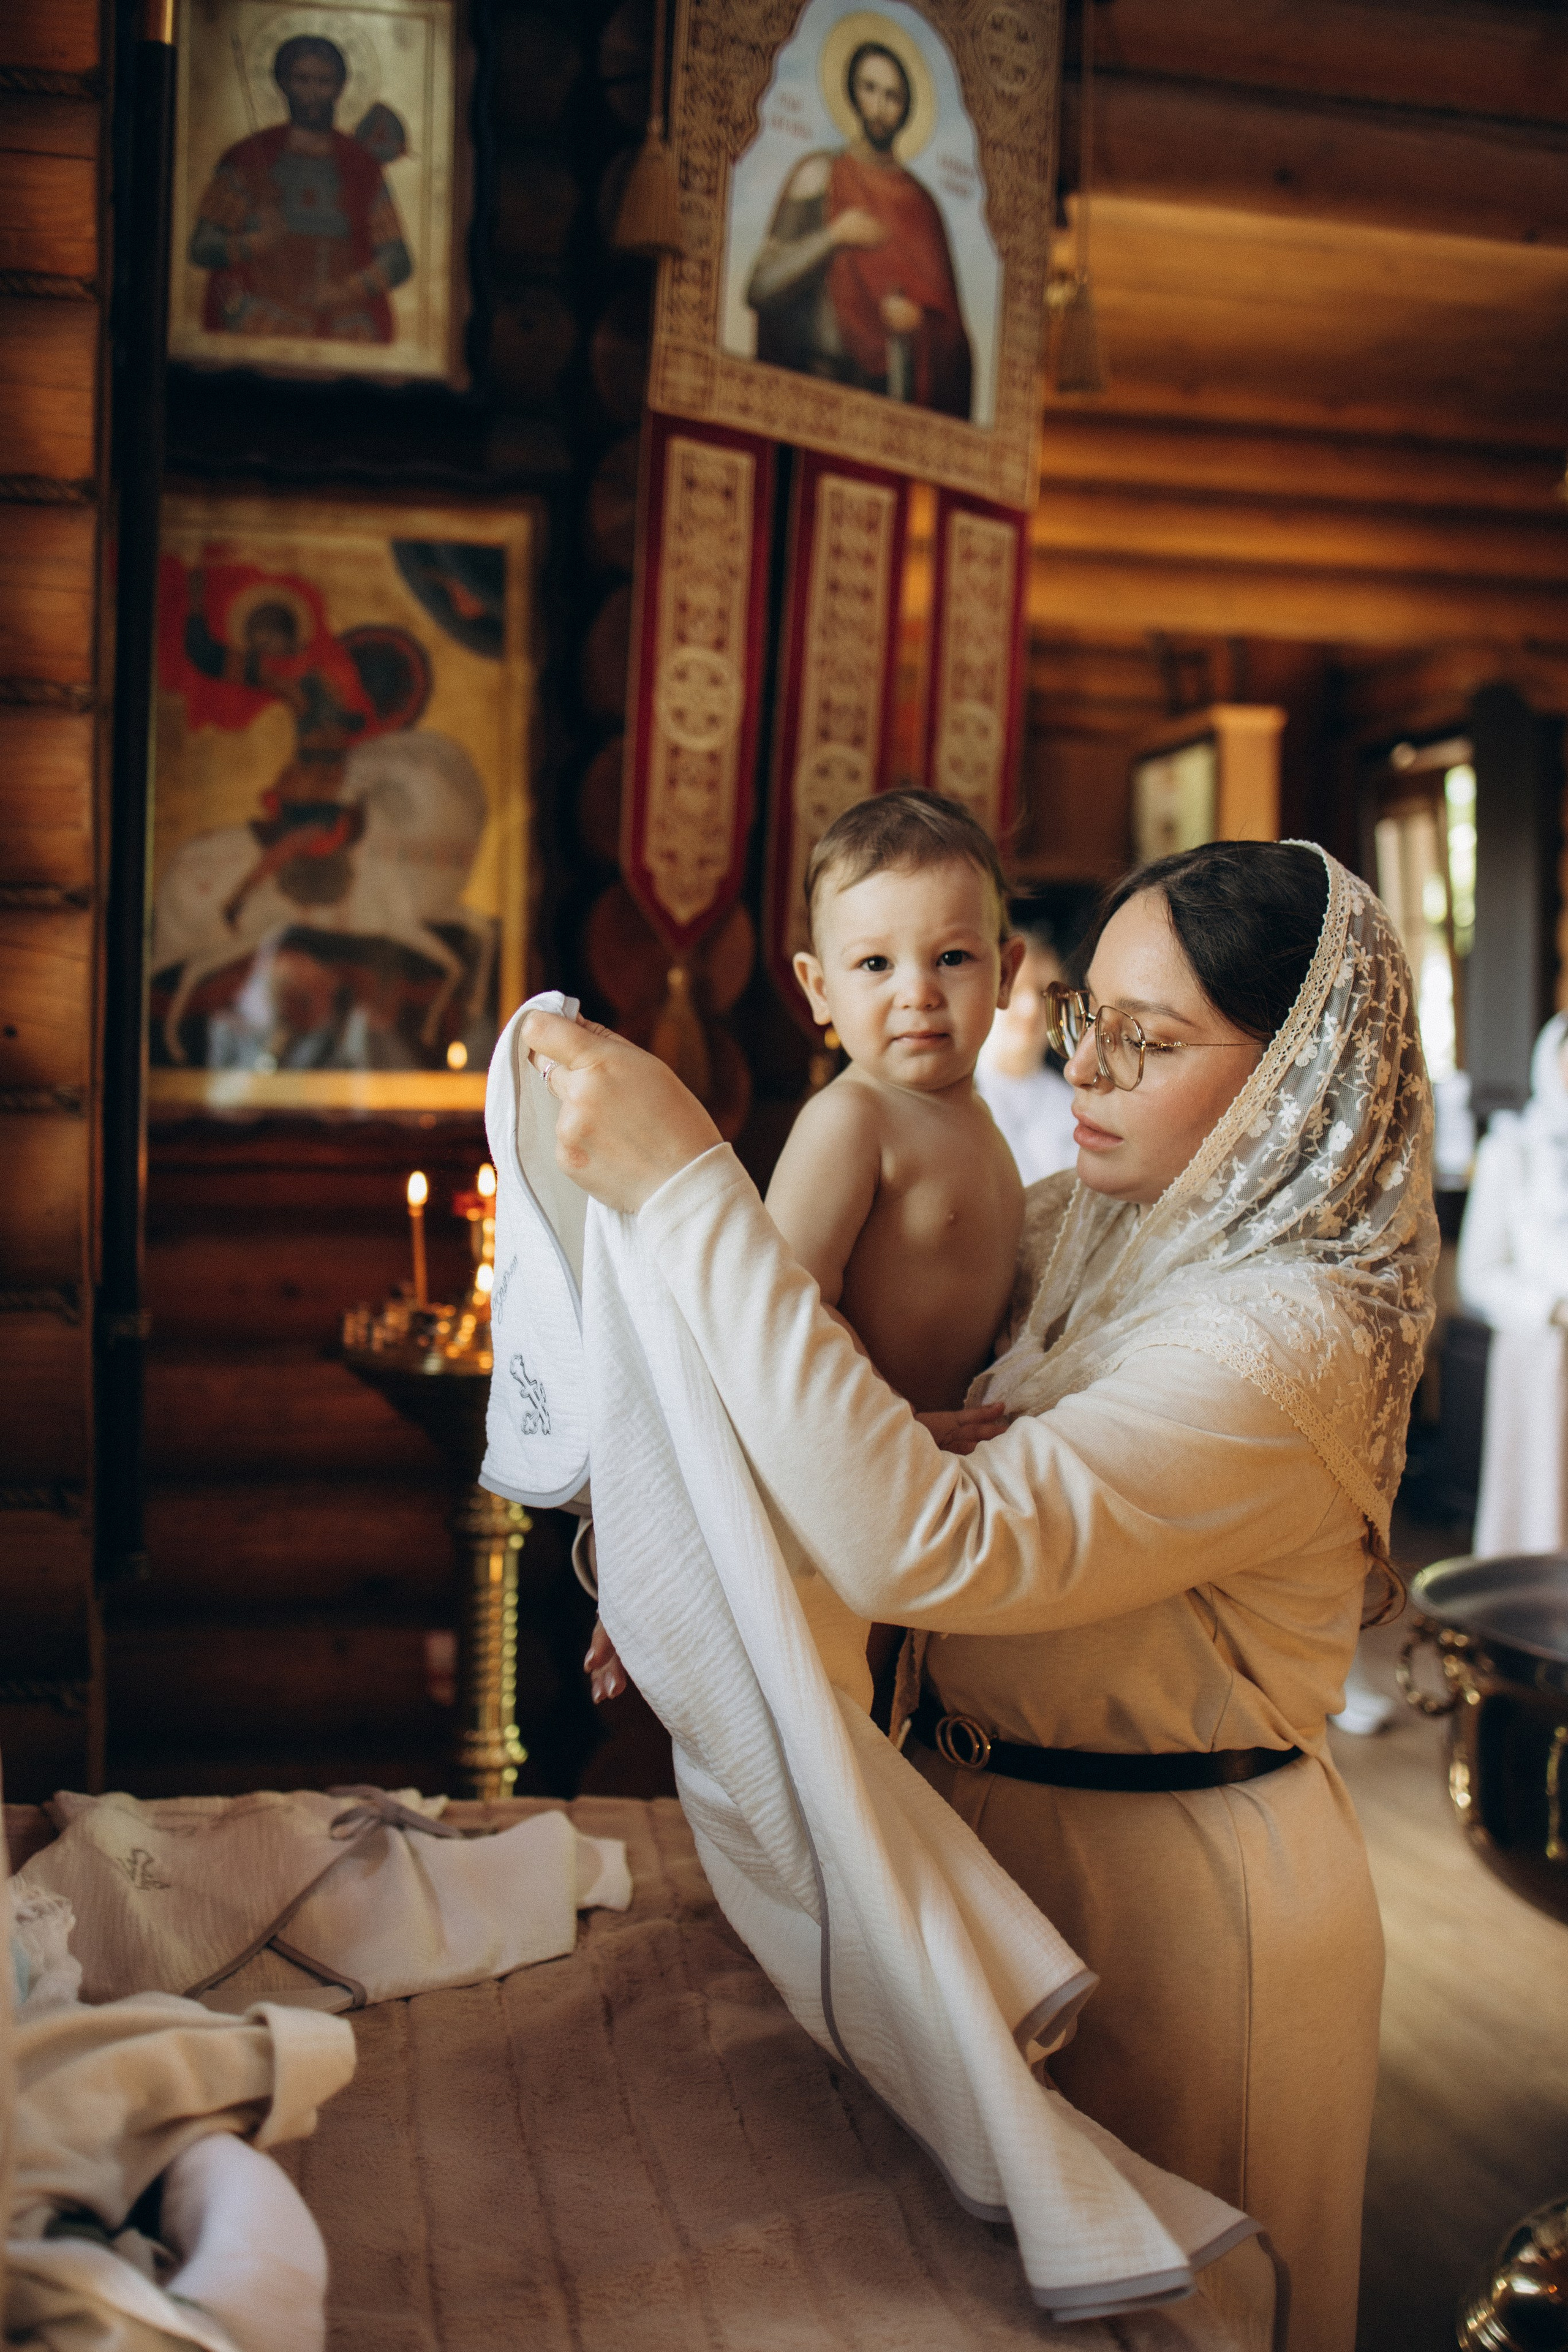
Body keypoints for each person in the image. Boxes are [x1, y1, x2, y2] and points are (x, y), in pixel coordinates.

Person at [544, 839, 1435, 2352]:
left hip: (1180, 1912)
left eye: (1143, 1043)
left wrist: (690, 1190)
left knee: (1176, 2308)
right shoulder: (1083, 1221)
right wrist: (693, 1527)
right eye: (1086, 1014)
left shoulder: (1291, 1335)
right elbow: (839, 1399)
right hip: (986, 1849)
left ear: (1295, 1080)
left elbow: (929, 1540)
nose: (1082, 1068)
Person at [767, 792, 1025, 1424]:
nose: (918, 992)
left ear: (1006, 974)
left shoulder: (981, 1121)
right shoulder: (850, 1121)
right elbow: (786, 1309)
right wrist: (892, 1427)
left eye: (952, 958)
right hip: (864, 1449)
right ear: (821, 989)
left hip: (951, 1440)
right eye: (875, 963)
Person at [746, 40, 972, 416]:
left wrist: (919, 321)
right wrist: (834, 237)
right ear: (853, 91)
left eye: (893, 96)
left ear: (907, 109)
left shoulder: (922, 205)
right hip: (811, 384)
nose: (880, 108)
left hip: (884, 399)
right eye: (870, 89)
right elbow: (761, 286)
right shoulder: (818, 174)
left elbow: (954, 336)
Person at [189, 35, 412, 344]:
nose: (312, 93)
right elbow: (201, 247)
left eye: (324, 82)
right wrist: (254, 242)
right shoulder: (248, 159)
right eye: (301, 80)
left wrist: (347, 290)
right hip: (259, 316)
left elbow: (398, 259)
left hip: (344, 321)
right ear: (283, 83)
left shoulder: (361, 167)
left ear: (340, 87)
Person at [1459, 1010, 1568, 1552]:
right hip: (1539, 1359)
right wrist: (1550, 1308)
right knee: (1540, 1505)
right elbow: (1478, 1274)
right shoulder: (1510, 1148)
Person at [974, 925, 1079, 1183]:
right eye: (1016, 989)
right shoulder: (953, 1094)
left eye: (1044, 994)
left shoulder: (1074, 1105)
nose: (1031, 1008)